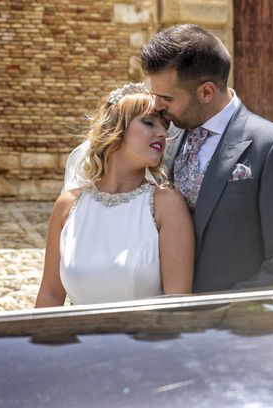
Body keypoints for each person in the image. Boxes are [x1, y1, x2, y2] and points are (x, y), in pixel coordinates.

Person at [64, 24, 273, 293]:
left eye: (166, 98)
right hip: (159, 321)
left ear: (206, 92)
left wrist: (219, 313)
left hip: (232, 326)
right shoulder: (163, 140)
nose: (158, 107)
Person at [36, 82, 194, 307]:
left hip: (142, 340)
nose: (162, 133)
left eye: (165, 126)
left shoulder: (166, 205)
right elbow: (50, 294)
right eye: (149, 122)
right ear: (115, 128)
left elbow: (178, 304)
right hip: (79, 340)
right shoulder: (67, 206)